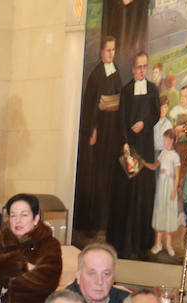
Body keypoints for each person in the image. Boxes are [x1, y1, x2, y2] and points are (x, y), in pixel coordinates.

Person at [107, 52, 160, 260]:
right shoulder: (127, 90)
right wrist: (125, 143)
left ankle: (141, 243)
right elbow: (120, 120)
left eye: (144, 67)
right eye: (138, 67)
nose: (141, 70)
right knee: (126, 196)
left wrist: (144, 124)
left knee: (143, 195)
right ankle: (124, 243)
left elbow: (155, 114)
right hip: (129, 148)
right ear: (132, 68)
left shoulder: (153, 89)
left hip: (145, 148)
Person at [0, 192, 63, 303]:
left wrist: (5, 277)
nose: (17, 220)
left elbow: (46, 280)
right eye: (13, 215)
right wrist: (21, 264)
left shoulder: (49, 244)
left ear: (36, 218)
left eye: (24, 215)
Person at [75, 35, 125, 237]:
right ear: (101, 52)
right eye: (107, 50)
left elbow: (119, 99)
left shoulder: (116, 72)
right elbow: (90, 106)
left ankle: (105, 224)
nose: (111, 53)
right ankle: (91, 225)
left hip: (111, 131)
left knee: (108, 178)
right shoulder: (96, 75)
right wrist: (92, 128)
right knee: (96, 178)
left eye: (113, 50)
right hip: (98, 132)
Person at [151, 128, 181, 257]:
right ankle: (158, 244)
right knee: (160, 211)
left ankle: (169, 245)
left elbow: (177, 176)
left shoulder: (175, 156)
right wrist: (141, 163)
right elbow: (154, 166)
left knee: (169, 212)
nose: (166, 141)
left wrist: (174, 191)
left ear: (173, 140)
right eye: (165, 138)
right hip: (161, 187)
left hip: (170, 186)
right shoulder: (162, 153)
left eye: (169, 139)